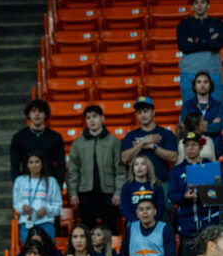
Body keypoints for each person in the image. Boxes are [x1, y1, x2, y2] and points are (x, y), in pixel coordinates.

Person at [67, 105, 125, 234]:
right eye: (88, 118)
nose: (92, 120)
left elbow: (120, 170)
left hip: (108, 193)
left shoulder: (114, 141)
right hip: (85, 192)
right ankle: (89, 255)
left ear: (102, 118)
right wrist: (73, 193)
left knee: (110, 229)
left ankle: (111, 254)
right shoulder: (78, 143)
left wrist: (118, 192)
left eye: (95, 116)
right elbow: (73, 171)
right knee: (87, 230)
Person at [168, 133, 217, 256]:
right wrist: (184, 197)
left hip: (209, 226)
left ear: (200, 147)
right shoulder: (177, 171)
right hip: (187, 227)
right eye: (187, 145)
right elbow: (172, 195)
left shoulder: (210, 166)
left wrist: (205, 192)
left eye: (194, 145)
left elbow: (218, 193)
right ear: (183, 148)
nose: (190, 148)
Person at [120, 97, 178, 191]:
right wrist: (143, 142)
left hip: (162, 184)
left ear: (153, 112)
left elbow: (174, 158)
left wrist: (153, 146)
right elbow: (124, 158)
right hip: (137, 185)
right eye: (139, 112)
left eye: (146, 111)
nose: (143, 115)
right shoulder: (131, 135)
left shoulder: (165, 134)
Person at [177, 0, 223, 102]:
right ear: (192, 6)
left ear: (208, 6)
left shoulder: (217, 23)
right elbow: (183, 46)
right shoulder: (184, 24)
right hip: (189, 72)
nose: (199, 5)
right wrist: (209, 40)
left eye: (202, 2)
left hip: (212, 72)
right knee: (190, 112)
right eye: (196, 3)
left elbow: (217, 45)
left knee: (215, 111)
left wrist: (194, 41)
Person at [10, 99, 66, 186]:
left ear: (45, 114)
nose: (37, 114)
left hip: (49, 183)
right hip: (26, 184)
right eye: (33, 111)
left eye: (40, 111)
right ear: (28, 114)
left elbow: (61, 165)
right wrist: (18, 185)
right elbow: (15, 165)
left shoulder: (55, 137)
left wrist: (58, 185)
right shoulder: (19, 137)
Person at [12, 151, 62, 242]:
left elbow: (58, 207)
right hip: (27, 223)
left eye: (37, 162)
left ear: (42, 164)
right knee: (30, 252)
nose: (34, 165)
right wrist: (23, 207)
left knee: (46, 251)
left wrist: (46, 209)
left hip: (46, 223)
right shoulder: (20, 181)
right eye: (31, 162)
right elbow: (16, 204)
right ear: (27, 165)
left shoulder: (51, 181)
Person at [180, 72, 223, 152]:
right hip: (192, 148)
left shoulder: (219, 105)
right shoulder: (187, 105)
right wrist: (209, 126)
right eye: (199, 82)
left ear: (210, 85)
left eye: (205, 82)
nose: (202, 85)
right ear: (195, 86)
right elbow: (184, 127)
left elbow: (219, 126)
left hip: (215, 148)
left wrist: (194, 126)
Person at [119, 154, 166, 223]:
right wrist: (139, 222)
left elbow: (161, 208)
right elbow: (125, 210)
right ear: (132, 168)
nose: (139, 167)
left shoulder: (156, 186)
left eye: (143, 164)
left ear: (148, 167)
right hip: (134, 222)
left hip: (153, 222)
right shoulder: (127, 187)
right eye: (136, 164)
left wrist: (150, 221)